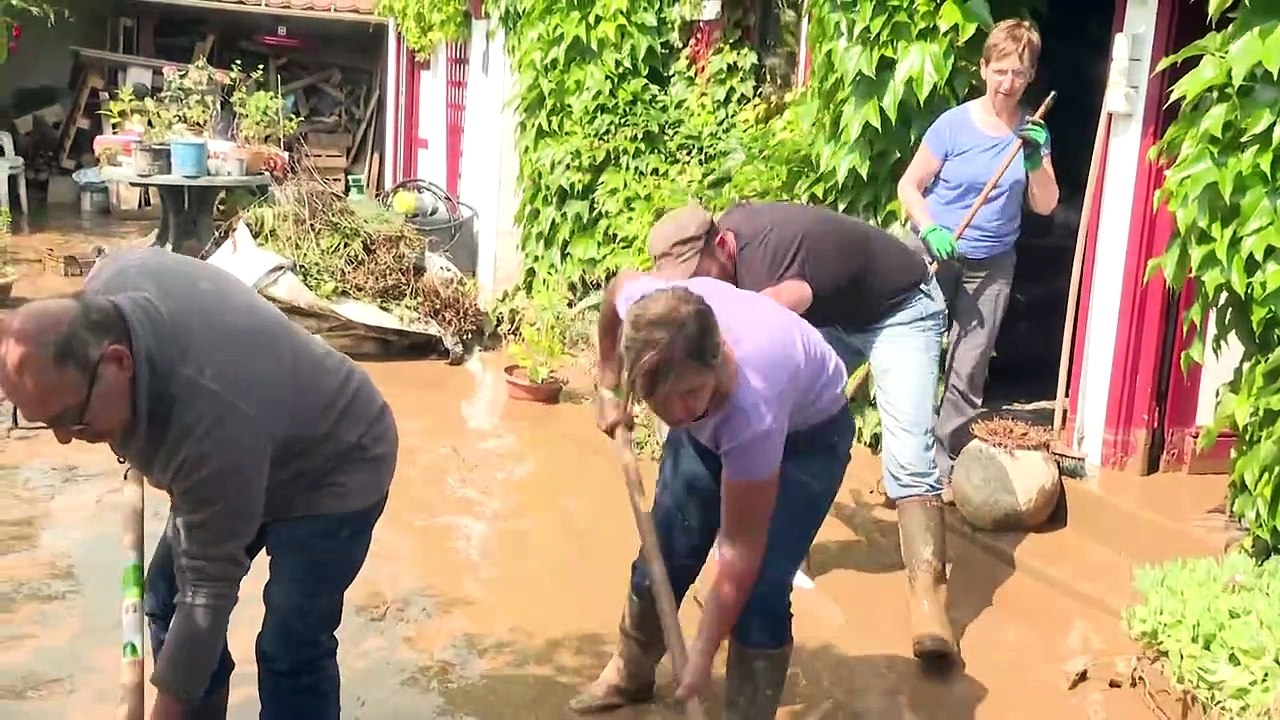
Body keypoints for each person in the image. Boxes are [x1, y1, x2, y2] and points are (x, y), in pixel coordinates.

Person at [0, 248, 398, 720]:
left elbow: (207, 593)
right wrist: (114, 429)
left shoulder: (209, 423)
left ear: (118, 362)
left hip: (335, 464)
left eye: (72, 419)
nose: (66, 439)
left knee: (290, 645)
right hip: (252, 438)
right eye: (46, 422)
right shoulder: (109, 283)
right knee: (163, 598)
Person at [645, 200, 958, 665]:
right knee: (776, 422)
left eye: (698, 273)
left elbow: (766, 329)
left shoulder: (767, 267)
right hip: (836, 314)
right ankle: (782, 551)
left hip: (899, 309)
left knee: (908, 456)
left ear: (721, 246)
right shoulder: (726, 256)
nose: (697, 287)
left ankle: (930, 605)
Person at [570, 271, 854, 718]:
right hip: (723, 419)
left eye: (689, 393)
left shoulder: (752, 407)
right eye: (656, 399)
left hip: (809, 438)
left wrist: (702, 652)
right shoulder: (649, 312)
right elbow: (616, 290)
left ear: (718, 357)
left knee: (760, 591)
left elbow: (740, 550)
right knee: (663, 552)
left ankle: (746, 712)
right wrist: (608, 386)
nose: (676, 414)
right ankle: (630, 673)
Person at [896, 18, 1060, 485]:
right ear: (984, 68)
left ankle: (943, 466)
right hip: (935, 253)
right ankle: (906, 461)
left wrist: (1035, 161)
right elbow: (910, 185)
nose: (1009, 83)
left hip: (992, 265)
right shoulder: (953, 125)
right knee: (916, 355)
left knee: (969, 365)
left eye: (1020, 73)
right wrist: (929, 228)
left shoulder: (1032, 132)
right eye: (1001, 70)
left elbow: (1046, 205)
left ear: (1030, 77)